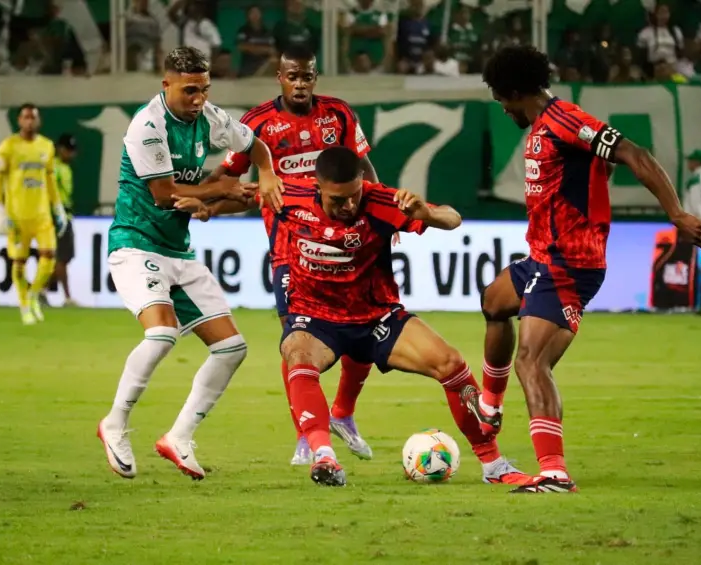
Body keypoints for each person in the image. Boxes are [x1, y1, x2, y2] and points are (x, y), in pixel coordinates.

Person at [174, 146, 530, 487]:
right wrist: (204, 207)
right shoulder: (290, 196)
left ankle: (493, 464)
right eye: (337, 199)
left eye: (354, 195)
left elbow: (453, 219)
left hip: (377, 316)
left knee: (451, 363)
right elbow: (244, 195)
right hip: (316, 318)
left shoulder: (381, 201)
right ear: (318, 187)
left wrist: (427, 213)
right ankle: (324, 456)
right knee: (297, 354)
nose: (348, 205)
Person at [472, 45, 701, 493]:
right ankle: (489, 407)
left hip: (570, 263)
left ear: (513, 91)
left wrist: (677, 214)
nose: (502, 107)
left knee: (531, 362)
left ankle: (554, 473)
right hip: (542, 256)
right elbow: (595, 165)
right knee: (494, 300)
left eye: (500, 98)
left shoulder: (565, 120)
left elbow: (635, 153)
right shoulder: (543, 128)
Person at [97, 46, 282, 481]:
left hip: (178, 251)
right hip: (136, 246)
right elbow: (164, 195)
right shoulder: (148, 126)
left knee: (232, 348)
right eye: (189, 90)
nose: (198, 98)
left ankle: (178, 437)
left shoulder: (209, 117)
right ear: (167, 85)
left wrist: (266, 175)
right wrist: (224, 192)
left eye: (204, 89)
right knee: (161, 334)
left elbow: (256, 146)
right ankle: (115, 423)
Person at [205, 45, 387, 467]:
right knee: (296, 342)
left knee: (365, 325)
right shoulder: (257, 124)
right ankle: (309, 435)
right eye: (293, 76)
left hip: (349, 244)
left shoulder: (338, 115)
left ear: (315, 77)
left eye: (307, 76)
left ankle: (342, 412)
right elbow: (228, 175)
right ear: (279, 77)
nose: (300, 84)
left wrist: (382, 217)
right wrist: (205, 203)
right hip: (291, 249)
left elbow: (364, 168)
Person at [0, 103, 68, 325]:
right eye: (25, 117)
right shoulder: (8, 147)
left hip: (42, 215)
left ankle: (33, 294)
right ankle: (24, 306)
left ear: (38, 121)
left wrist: (58, 207)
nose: (29, 121)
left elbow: (51, 179)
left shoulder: (46, 146)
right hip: (17, 216)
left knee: (49, 258)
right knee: (19, 263)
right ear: (19, 121)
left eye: (33, 117)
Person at [50, 133, 78, 306]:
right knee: (61, 258)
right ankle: (66, 297)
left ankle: (39, 290)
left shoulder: (65, 168)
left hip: (66, 215)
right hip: (59, 217)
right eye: (68, 150)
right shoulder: (54, 168)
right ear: (60, 149)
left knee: (63, 258)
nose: (71, 154)